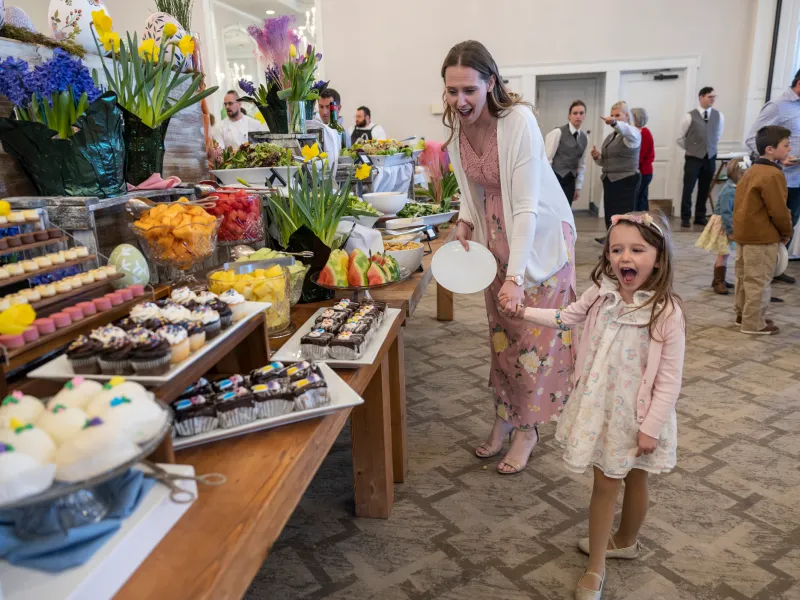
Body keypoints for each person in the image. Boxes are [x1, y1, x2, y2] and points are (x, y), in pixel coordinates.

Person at [510, 210, 684, 600]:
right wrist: (522, 312)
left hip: (638, 417)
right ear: (607, 256)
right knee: (606, 483)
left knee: (637, 477)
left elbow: (670, 381)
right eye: (617, 249)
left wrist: (651, 427)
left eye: (638, 249)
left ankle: (622, 544)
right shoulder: (602, 295)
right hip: (601, 408)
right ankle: (600, 562)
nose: (626, 257)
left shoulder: (666, 311)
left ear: (659, 256)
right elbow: (565, 316)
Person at [444, 40, 576, 475]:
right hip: (494, 237)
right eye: (452, 91)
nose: (460, 101)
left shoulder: (517, 121)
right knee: (501, 337)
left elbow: (526, 206)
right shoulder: (459, 130)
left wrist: (516, 276)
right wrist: (465, 219)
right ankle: (504, 417)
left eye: (469, 90)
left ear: (491, 83)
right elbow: (475, 185)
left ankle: (529, 429)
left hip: (535, 239)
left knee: (531, 341)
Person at [734, 126, 794, 336]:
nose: (789, 148)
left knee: (744, 278)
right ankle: (754, 323)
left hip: (743, 235)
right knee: (759, 280)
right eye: (786, 145)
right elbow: (778, 209)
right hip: (762, 237)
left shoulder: (751, 171)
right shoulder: (772, 174)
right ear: (770, 149)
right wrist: (787, 231)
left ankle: (743, 315)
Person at [745, 69, 800, 285]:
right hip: (779, 178)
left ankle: (777, 268)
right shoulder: (777, 106)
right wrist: (777, 161)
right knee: (770, 224)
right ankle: (762, 273)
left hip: (798, 179)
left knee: (789, 224)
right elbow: (752, 138)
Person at [695, 157, 750, 294]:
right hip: (724, 226)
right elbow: (726, 213)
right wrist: (730, 230)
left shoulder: (735, 188)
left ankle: (720, 279)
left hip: (729, 223)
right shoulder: (729, 191)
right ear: (739, 174)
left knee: (724, 253)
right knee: (722, 253)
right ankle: (718, 282)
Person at [590, 101, 641, 241]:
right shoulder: (611, 137)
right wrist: (597, 157)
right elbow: (605, 162)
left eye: (617, 115)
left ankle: (622, 243)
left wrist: (614, 122)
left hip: (625, 180)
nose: (613, 117)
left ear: (626, 115)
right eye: (612, 115)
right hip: (610, 180)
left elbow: (626, 130)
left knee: (623, 217)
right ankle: (612, 241)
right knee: (611, 214)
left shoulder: (633, 133)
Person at [677, 86, 725, 228]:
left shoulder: (719, 116)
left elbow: (717, 136)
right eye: (710, 97)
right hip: (693, 158)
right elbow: (681, 138)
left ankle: (700, 216)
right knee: (688, 187)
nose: (712, 99)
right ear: (701, 97)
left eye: (714, 97)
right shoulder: (689, 116)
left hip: (710, 157)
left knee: (704, 188)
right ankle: (685, 216)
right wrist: (693, 149)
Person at [545, 100, 589, 206]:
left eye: (581, 113)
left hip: (571, 181)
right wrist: (547, 183)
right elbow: (547, 159)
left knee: (566, 211)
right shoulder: (557, 132)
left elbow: (582, 164)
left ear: (584, 116)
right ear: (569, 116)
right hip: (556, 178)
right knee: (554, 210)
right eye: (575, 113)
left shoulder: (584, 138)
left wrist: (578, 187)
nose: (578, 116)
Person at [632, 108, 654, 212]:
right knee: (640, 197)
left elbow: (639, 155)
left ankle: (642, 222)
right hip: (642, 171)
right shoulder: (640, 132)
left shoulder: (644, 133)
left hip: (643, 171)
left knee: (639, 199)